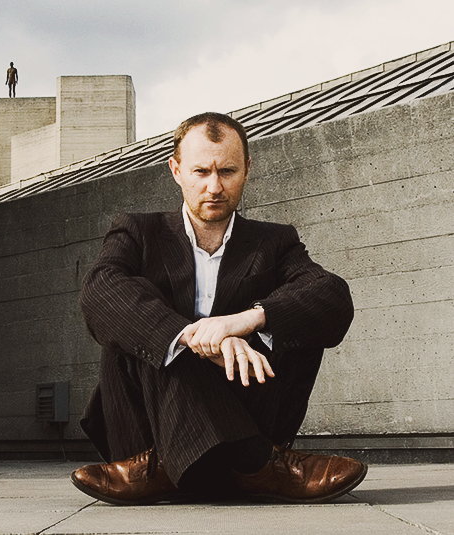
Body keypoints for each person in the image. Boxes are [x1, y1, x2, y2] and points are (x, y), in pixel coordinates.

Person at [71, 112, 367, 506]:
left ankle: (179, 468)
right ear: (176, 170)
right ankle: (260, 465)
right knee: (133, 309)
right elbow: (98, 292)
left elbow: (332, 297)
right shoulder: (138, 231)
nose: (214, 187)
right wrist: (193, 337)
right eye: (201, 171)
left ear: (247, 170)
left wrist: (244, 322)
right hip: (150, 434)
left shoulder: (275, 242)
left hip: (249, 408)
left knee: (297, 314)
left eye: (227, 171)